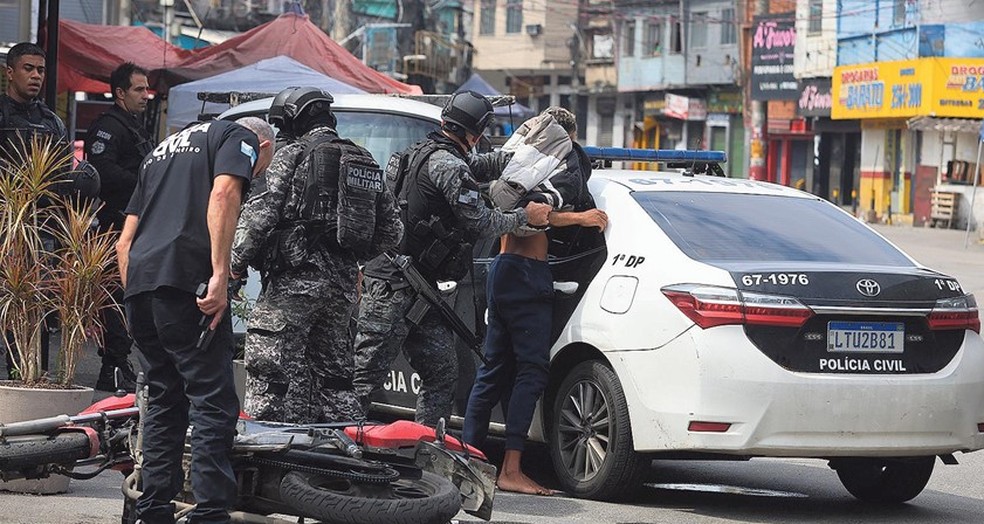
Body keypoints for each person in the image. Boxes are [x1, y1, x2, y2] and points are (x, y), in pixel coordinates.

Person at [352, 91, 552, 427]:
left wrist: (515, 157)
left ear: (446, 121)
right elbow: (481, 223)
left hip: (420, 291)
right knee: (364, 378)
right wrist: (523, 216)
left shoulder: (420, 153)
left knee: (441, 373)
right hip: (394, 287)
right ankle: (336, 444)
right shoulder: (448, 165)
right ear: (475, 134)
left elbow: (474, 166)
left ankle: (426, 448)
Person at [116, 116, 274, 524]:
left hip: (142, 287)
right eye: (260, 168)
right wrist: (220, 275)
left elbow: (124, 242)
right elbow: (223, 194)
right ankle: (210, 513)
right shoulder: (239, 137)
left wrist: (136, 298)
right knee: (212, 402)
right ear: (263, 147)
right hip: (189, 285)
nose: (255, 176)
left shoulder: (159, 151)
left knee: (164, 400)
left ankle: (153, 509)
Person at [231, 87, 403, 424]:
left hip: (293, 285)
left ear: (294, 120)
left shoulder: (292, 156)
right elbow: (392, 231)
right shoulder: (365, 160)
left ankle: (269, 447)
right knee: (335, 381)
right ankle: (345, 444)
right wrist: (350, 255)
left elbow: (258, 218)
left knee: (270, 374)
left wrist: (234, 268)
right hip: (342, 290)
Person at [462, 106, 607, 495]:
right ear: (569, 137)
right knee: (531, 372)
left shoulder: (521, 160)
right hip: (527, 275)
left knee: (492, 371)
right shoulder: (559, 163)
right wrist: (582, 218)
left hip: (501, 269)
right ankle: (511, 470)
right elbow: (537, 214)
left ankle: (468, 463)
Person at [1, 42, 99, 379]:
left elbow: (63, 176)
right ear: (10, 72)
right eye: (28, 68)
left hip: (40, 228)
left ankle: (29, 375)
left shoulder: (50, 122)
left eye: (40, 70)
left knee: (36, 302)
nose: (36, 76)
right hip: (5, 223)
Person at [84, 61, 155, 392]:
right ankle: (112, 365)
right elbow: (103, 171)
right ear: (120, 93)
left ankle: (119, 362)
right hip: (113, 225)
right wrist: (145, 184)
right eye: (139, 89)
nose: (146, 95)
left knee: (129, 295)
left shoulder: (134, 126)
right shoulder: (109, 127)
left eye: (146, 88)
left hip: (134, 224)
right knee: (115, 297)